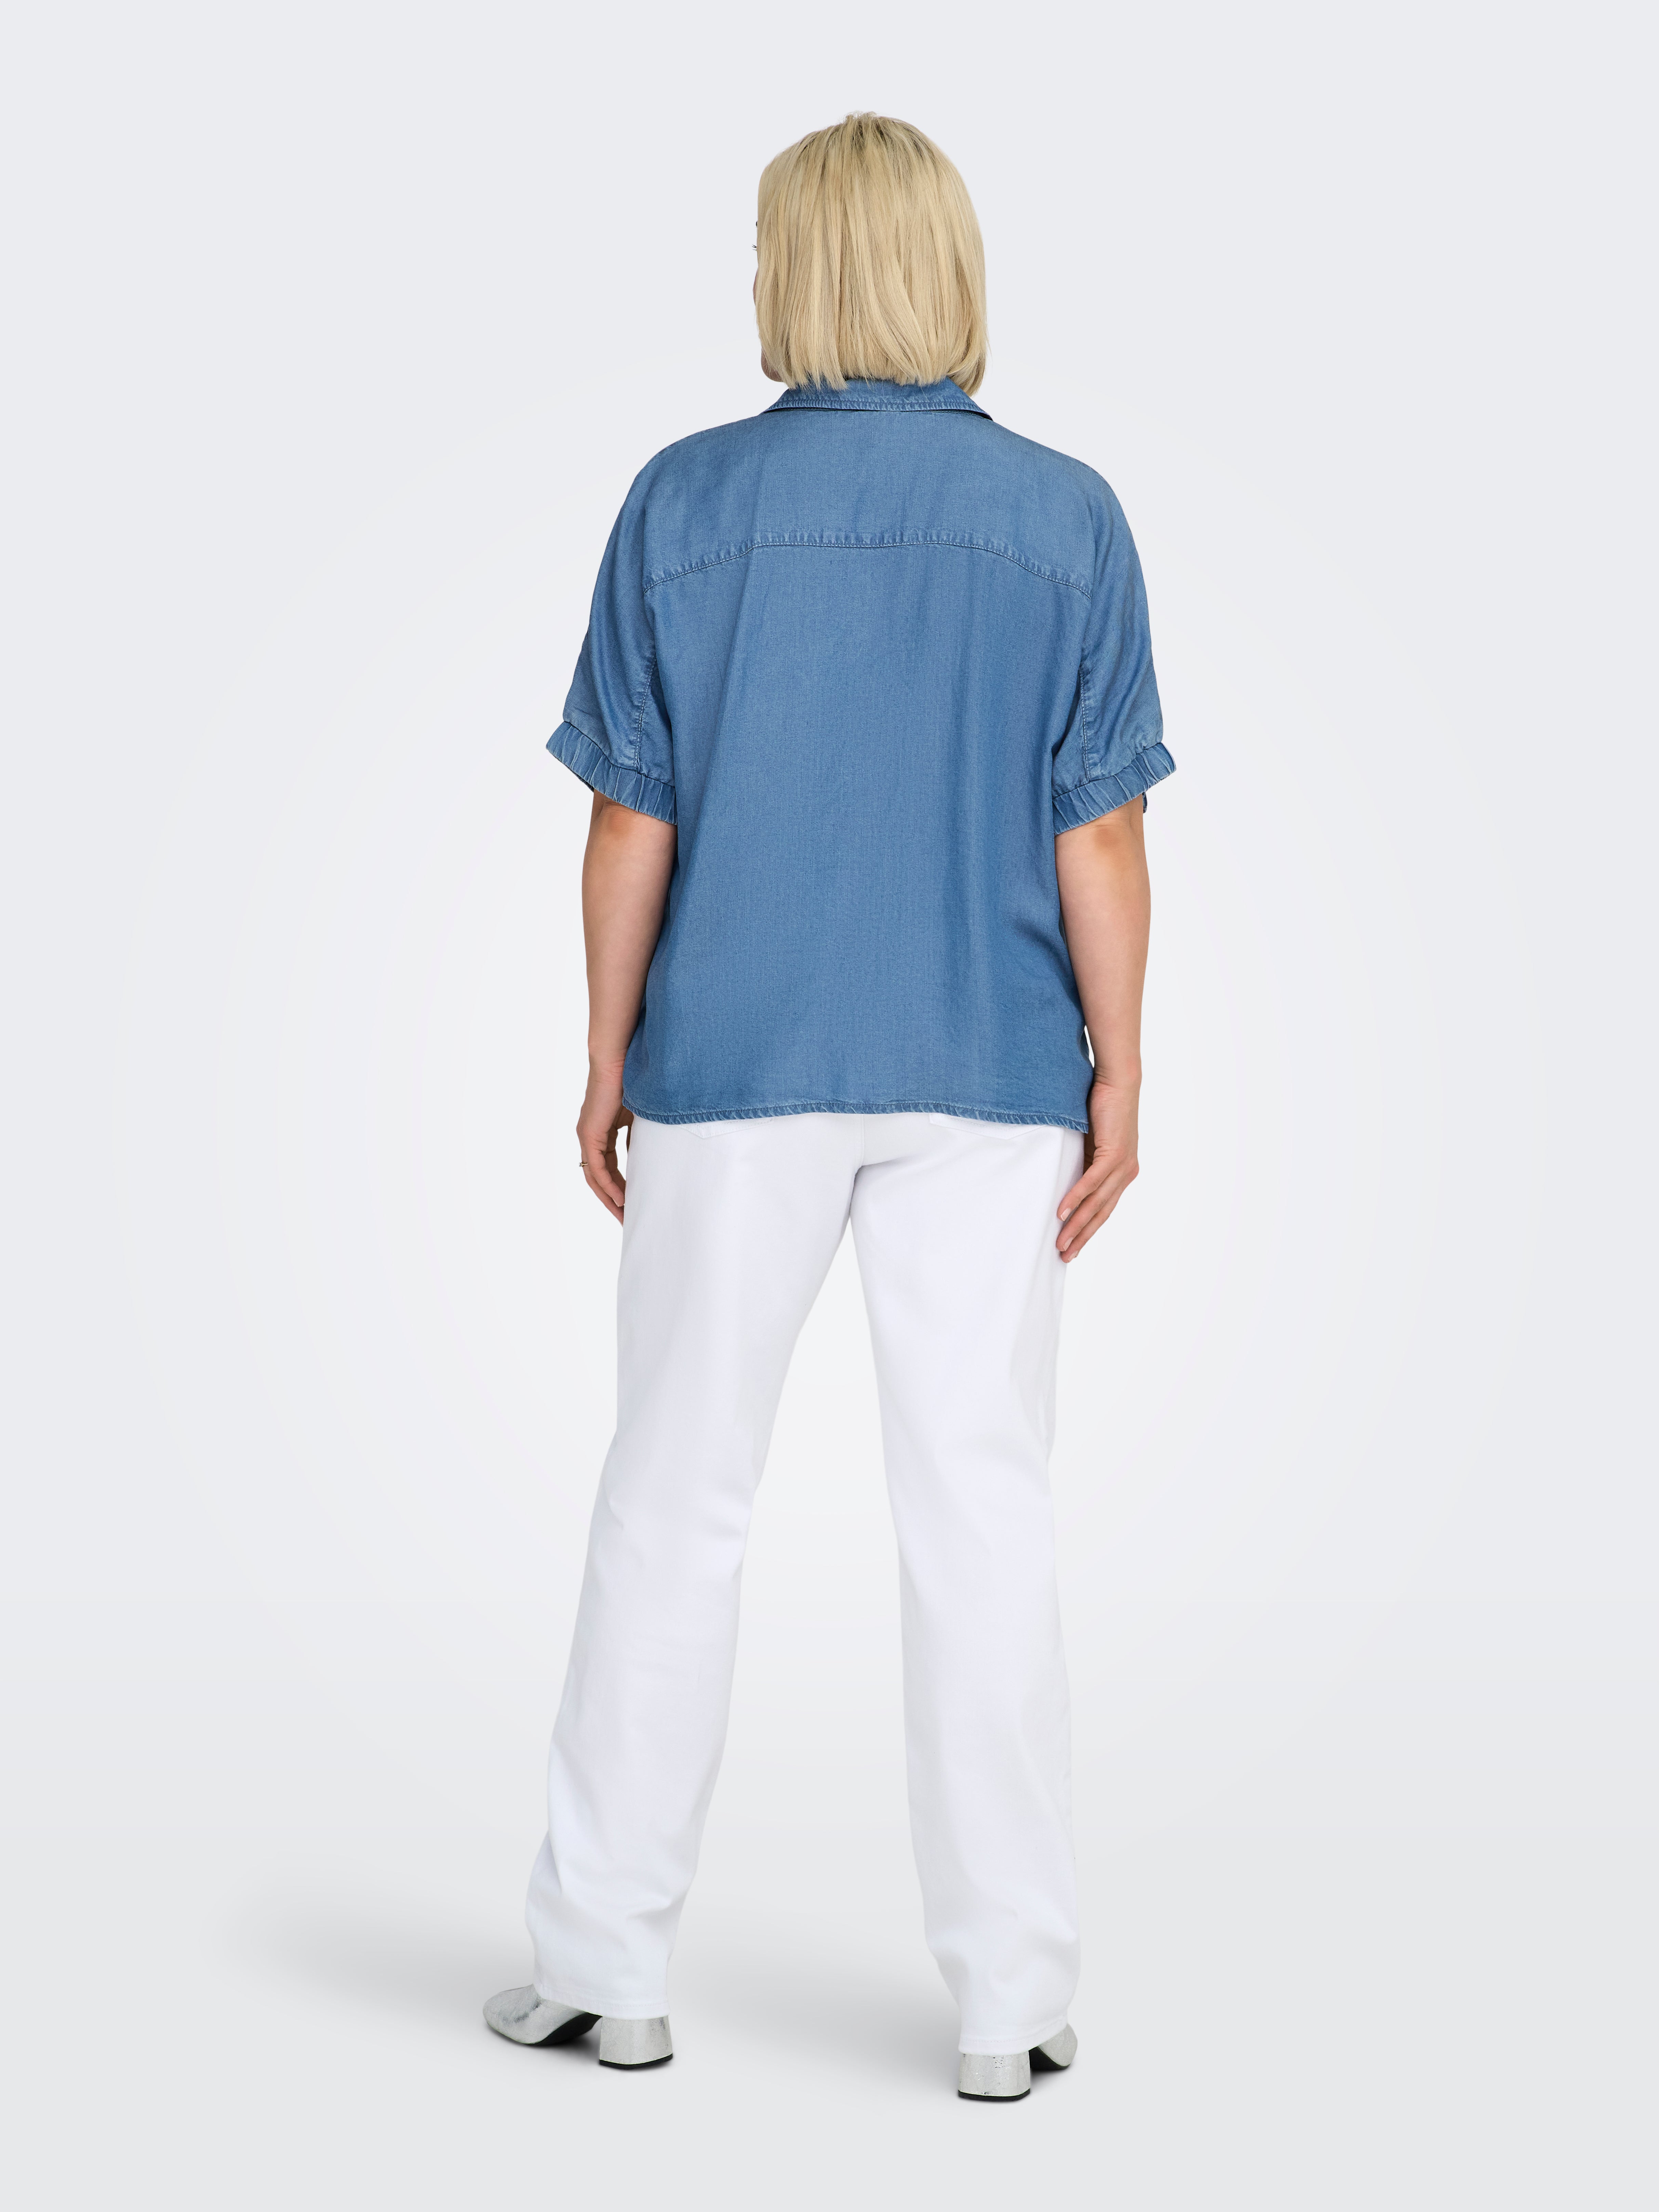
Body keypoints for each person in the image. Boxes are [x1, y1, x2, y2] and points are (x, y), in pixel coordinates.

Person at [484, 112, 1173, 2101]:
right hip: (991, 1067)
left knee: (674, 1497)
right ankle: (1010, 1999)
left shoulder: (682, 504)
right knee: (982, 1508)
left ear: (794, 273)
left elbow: (632, 820)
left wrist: (607, 1050)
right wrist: (1123, 1062)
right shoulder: (1067, 519)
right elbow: (1099, 834)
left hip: (734, 1060)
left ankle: (605, 1963)